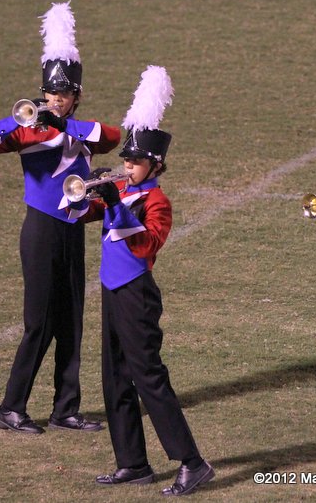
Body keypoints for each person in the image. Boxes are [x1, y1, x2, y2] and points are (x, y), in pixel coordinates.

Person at [0, 2, 119, 434]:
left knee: (71, 321)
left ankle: (65, 409)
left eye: (63, 94)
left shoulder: (81, 131)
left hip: (72, 230)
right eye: (51, 93)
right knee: (39, 322)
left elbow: (111, 136)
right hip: (40, 231)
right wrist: (20, 117)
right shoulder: (28, 130)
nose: (56, 99)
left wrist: (62, 126)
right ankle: (10, 407)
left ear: (76, 97)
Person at [73, 66, 214, 497]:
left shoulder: (157, 201)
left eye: (135, 161)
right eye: (126, 160)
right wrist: (88, 192)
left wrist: (115, 205)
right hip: (112, 292)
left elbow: (146, 245)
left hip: (137, 294)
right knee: (115, 379)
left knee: (149, 378)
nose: (127, 166)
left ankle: (193, 462)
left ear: (155, 164)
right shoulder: (121, 191)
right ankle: (133, 462)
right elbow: (73, 211)